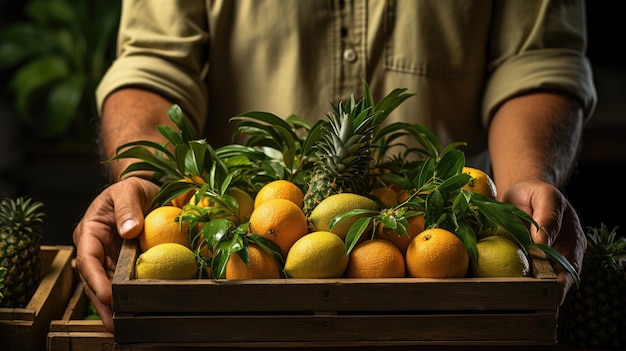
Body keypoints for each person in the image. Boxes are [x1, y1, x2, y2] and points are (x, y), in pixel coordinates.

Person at [73, 0, 596, 333]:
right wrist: (142, 176)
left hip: (445, 242)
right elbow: (155, 60)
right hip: (236, 264)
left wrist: (528, 175)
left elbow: (537, 58)